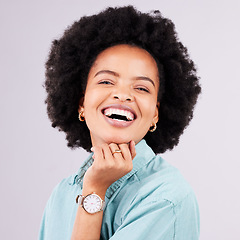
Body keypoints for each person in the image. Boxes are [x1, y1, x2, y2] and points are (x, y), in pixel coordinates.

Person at [39, 6, 201, 240]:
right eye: (106, 81)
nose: (123, 95)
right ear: (81, 103)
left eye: (142, 87)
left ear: (155, 114)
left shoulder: (167, 198)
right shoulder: (62, 195)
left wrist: (95, 191)